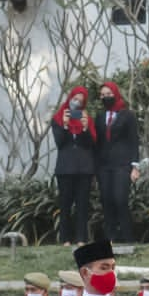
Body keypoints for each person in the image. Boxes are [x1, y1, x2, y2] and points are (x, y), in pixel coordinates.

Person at [93, 81, 140, 243]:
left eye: (109, 94)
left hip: (122, 164)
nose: (106, 97)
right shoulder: (99, 117)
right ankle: (110, 238)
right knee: (106, 200)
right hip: (104, 166)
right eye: (103, 95)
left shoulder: (127, 115)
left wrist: (135, 166)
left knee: (120, 199)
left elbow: (134, 141)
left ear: (116, 94)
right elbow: (96, 142)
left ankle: (128, 237)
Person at [51, 86, 97, 246]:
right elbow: (60, 143)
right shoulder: (57, 119)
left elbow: (90, 143)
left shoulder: (87, 120)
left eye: (80, 101)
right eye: (74, 99)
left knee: (82, 204)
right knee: (65, 204)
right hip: (65, 169)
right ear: (69, 98)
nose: (76, 103)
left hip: (84, 169)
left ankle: (81, 238)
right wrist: (64, 125)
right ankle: (65, 239)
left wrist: (85, 128)